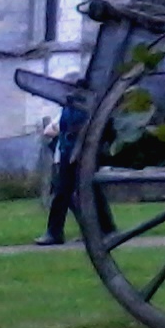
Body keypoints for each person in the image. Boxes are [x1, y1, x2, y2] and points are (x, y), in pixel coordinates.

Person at [35, 75, 111, 244]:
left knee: (77, 192)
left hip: (79, 153)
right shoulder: (69, 106)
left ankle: (104, 228)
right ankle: (56, 232)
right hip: (68, 152)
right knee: (66, 192)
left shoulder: (83, 106)